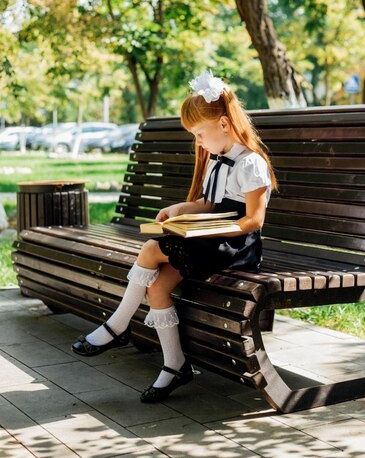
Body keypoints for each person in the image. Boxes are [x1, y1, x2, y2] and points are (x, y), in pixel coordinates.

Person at [71, 70, 277, 403]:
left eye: (199, 133)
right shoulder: (217, 160)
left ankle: (117, 326)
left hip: (235, 244)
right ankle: (175, 365)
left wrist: (207, 228)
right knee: (158, 286)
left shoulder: (250, 163)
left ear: (224, 123)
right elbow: (209, 203)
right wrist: (183, 209)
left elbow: (253, 220)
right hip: (210, 237)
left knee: (152, 249)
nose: (197, 141)